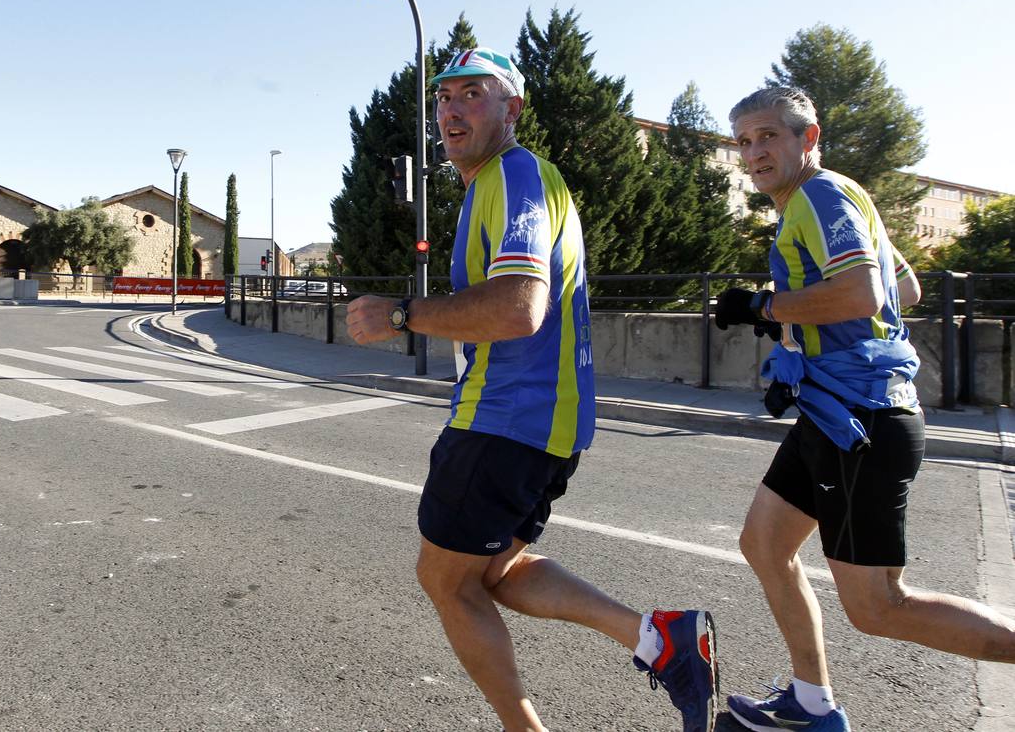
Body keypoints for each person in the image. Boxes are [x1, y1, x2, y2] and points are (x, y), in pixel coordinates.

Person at [346, 48, 717, 732]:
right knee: (491, 573)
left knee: (446, 580)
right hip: (545, 422)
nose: (452, 108)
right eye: (444, 97)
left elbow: (520, 305)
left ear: (512, 109)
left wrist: (403, 314)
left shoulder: (514, 176)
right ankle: (660, 640)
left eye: (473, 95)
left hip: (505, 418)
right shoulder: (509, 183)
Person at [717, 86, 1015, 732]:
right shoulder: (842, 196)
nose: (755, 152)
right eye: (744, 141)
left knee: (879, 607)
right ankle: (811, 705)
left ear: (808, 137)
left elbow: (861, 291)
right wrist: (809, 324)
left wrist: (764, 307)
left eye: (769, 136)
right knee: (765, 545)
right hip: (834, 409)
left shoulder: (820, 196)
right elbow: (901, 286)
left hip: (862, 421)